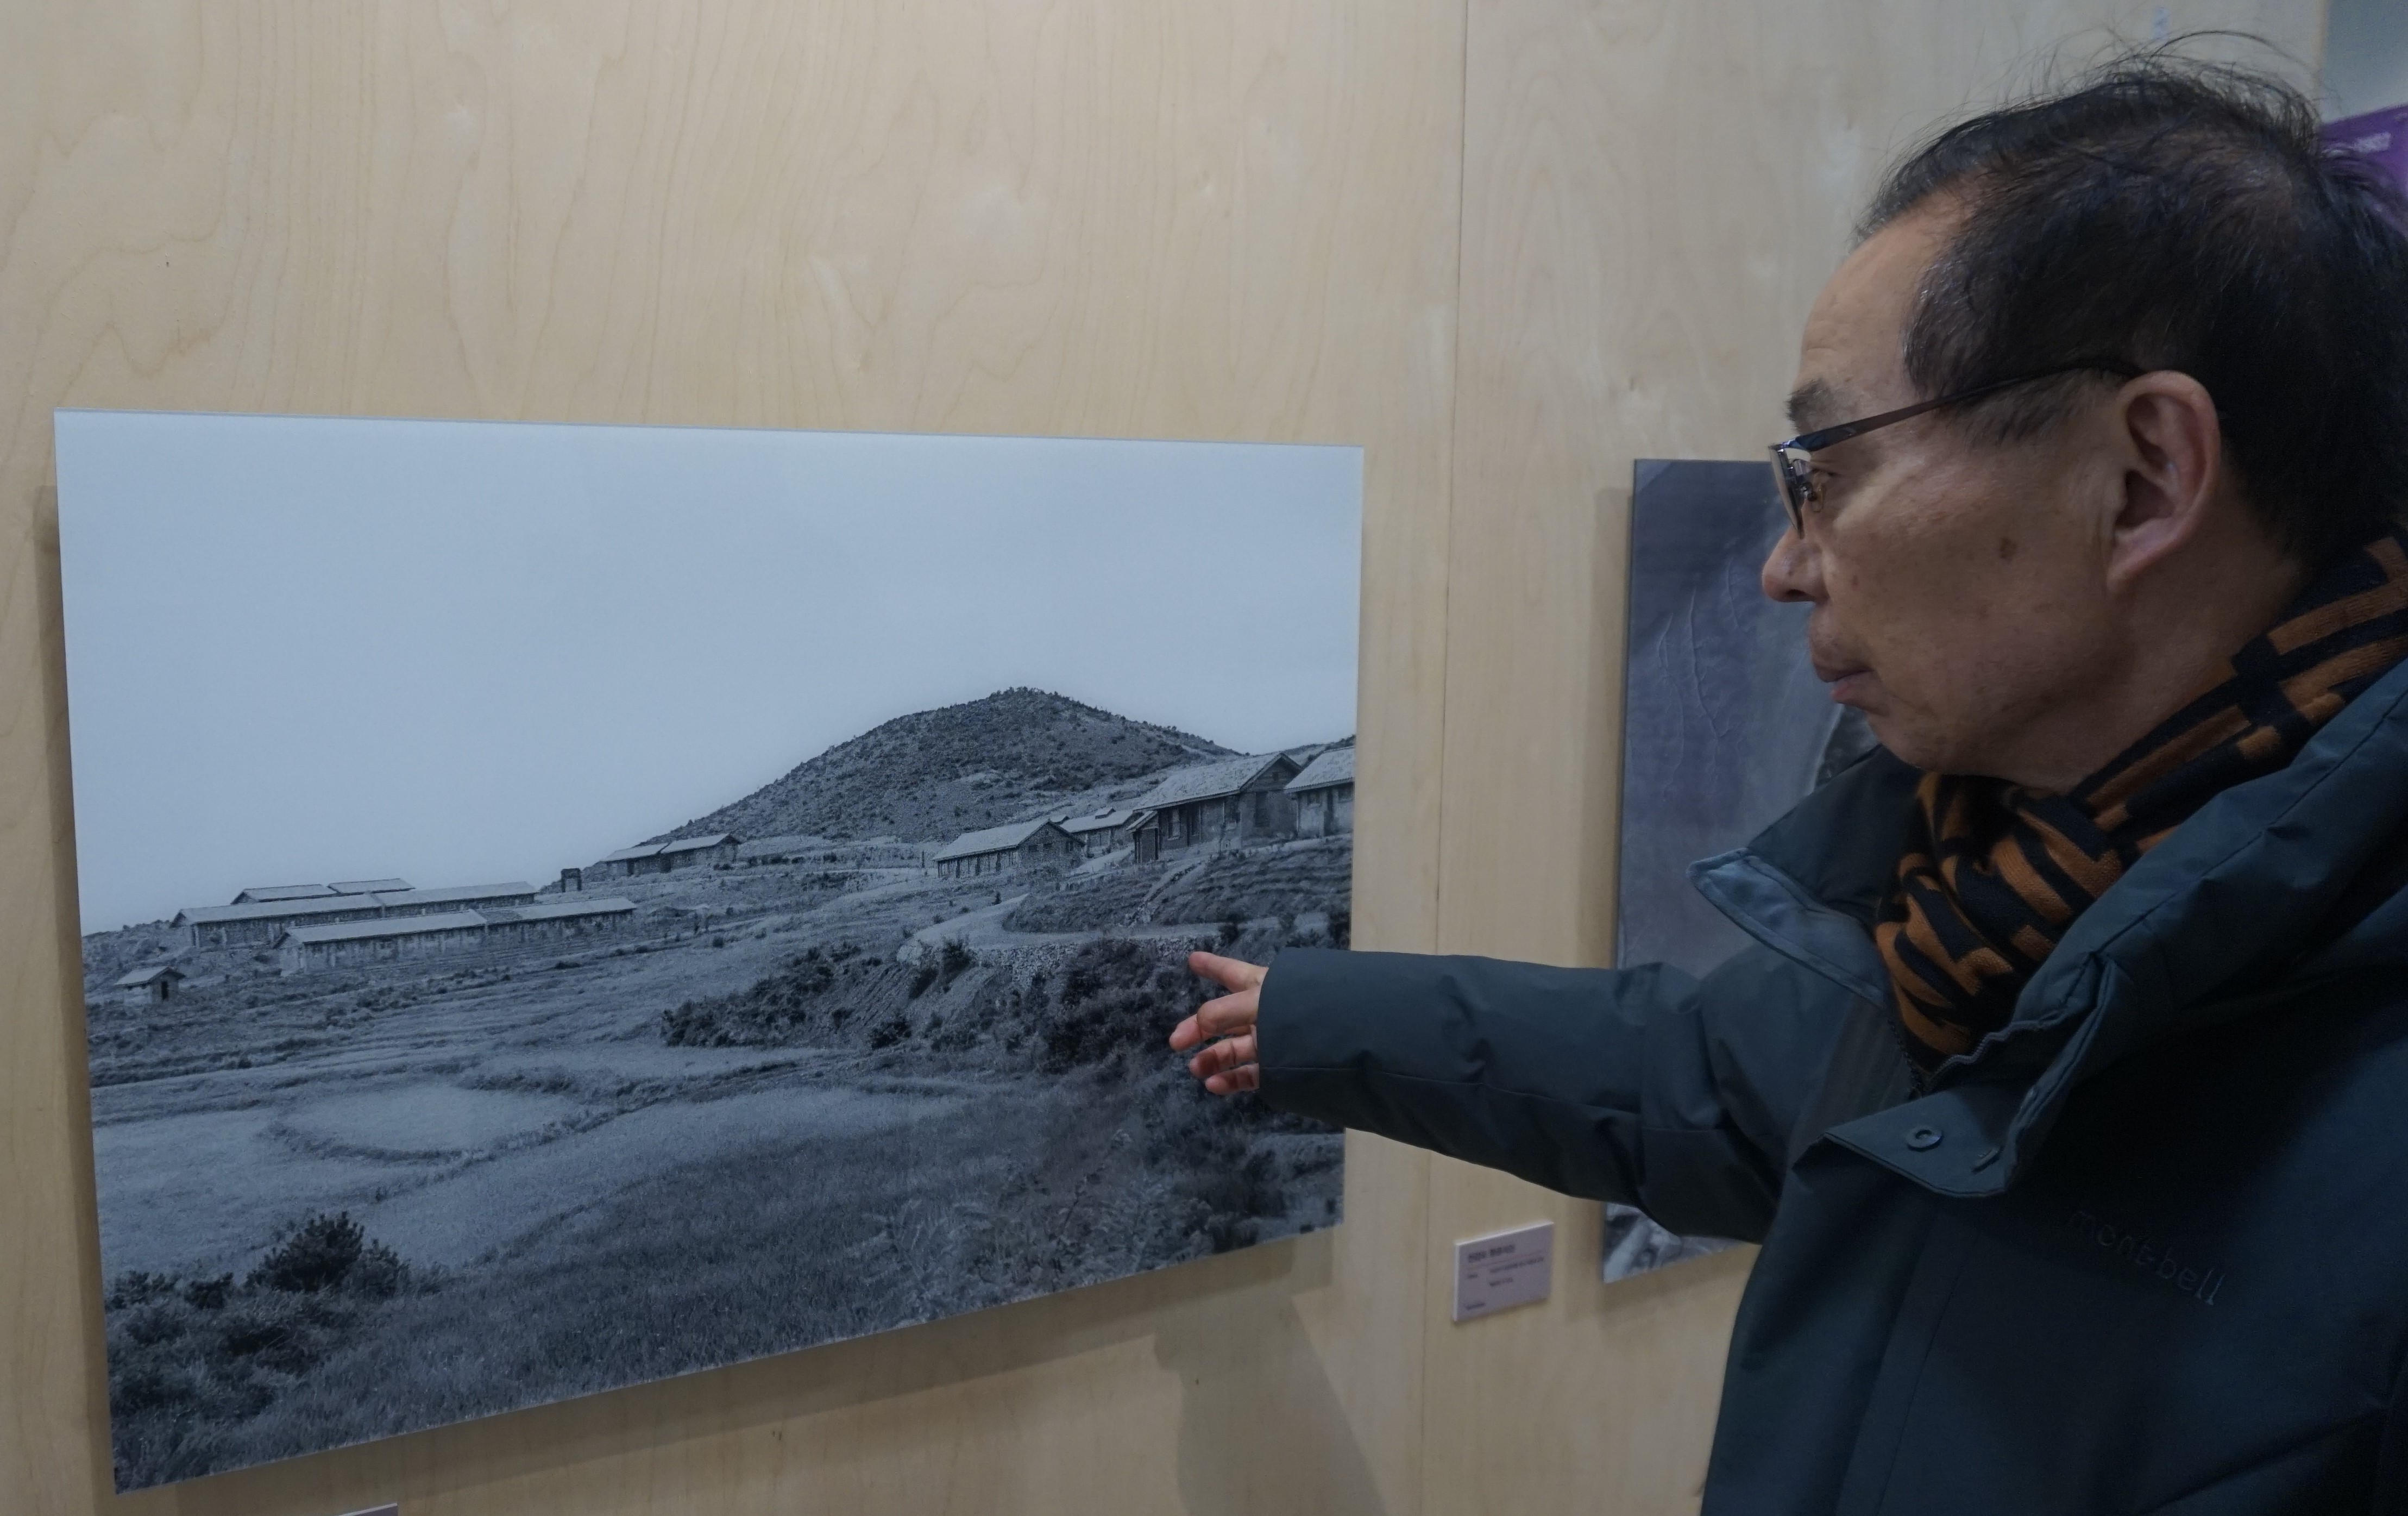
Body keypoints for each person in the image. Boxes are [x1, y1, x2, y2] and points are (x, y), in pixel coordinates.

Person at [1171, 52, 2408, 1515]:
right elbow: (1701, 1078)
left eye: (1823, 464)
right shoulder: (1982, 905)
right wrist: (1312, 1014)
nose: (1781, 562)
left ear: (2138, 478)